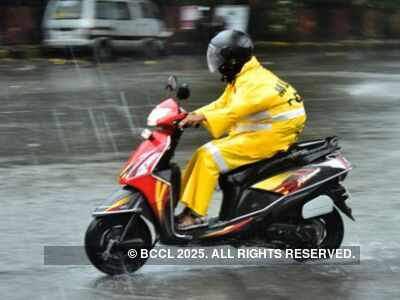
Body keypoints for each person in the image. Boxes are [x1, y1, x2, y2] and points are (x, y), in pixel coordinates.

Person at [177, 30, 306, 229]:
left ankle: (193, 215)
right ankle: (182, 205)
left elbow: (235, 110)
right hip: (261, 133)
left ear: (233, 60)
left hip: (271, 137)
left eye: (219, 57)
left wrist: (201, 117)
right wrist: (192, 115)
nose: (217, 63)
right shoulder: (244, 76)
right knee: (201, 153)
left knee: (209, 157)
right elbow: (222, 104)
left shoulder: (254, 82)